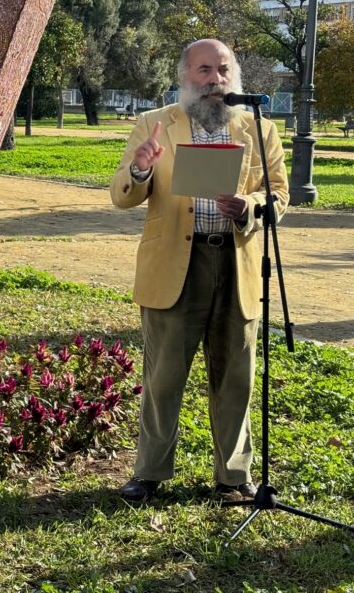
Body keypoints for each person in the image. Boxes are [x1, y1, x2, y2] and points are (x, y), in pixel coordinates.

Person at [110, 39, 288, 502]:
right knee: (163, 375)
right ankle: (148, 472)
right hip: (175, 265)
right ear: (186, 75)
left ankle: (233, 476)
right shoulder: (155, 124)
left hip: (236, 261)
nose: (215, 80)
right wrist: (142, 168)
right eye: (204, 70)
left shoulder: (258, 126)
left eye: (223, 70)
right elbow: (123, 195)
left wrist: (247, 205)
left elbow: (279, 196)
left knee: (235, 375)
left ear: (235, 74)